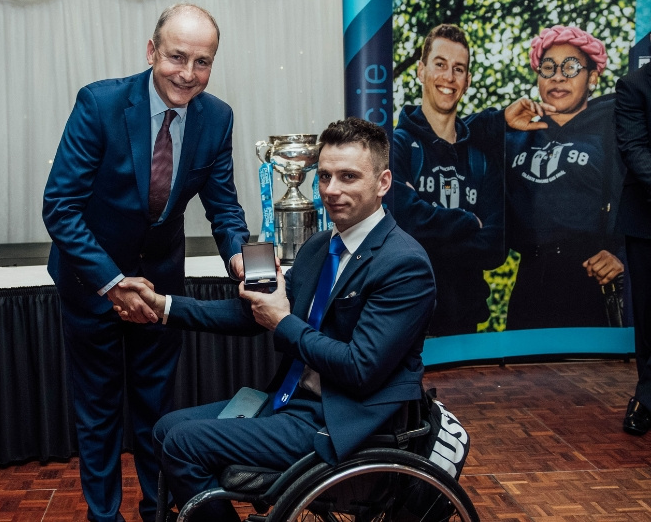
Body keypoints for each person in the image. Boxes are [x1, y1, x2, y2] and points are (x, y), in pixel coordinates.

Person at [119, 117, 436, 521]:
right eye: (323, 176)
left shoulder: (403, 264)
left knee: (182, 443)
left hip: (343, 420)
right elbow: (254, 314)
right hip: (293, 401)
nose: (331, 190)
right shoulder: (321, 246)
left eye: (348, 177)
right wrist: (162, 306)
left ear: (383, 182)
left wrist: (283, 321)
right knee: (165, 428)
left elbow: (361, 369)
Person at [41, 3, 250, 522]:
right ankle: (103, 516)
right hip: (91, 284)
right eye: (177, 56)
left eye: (203, 62)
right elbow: (60, 207)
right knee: (99, 414)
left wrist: (241, 257)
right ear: (152, 51)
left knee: (156, 410)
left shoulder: (216, 117)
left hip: (159, 291)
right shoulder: (100, 104)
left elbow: (222, 204)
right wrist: (111, 282)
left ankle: (156, 511)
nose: (188, 73)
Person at [386, 24, 550, 336]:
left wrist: (426, 232)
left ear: (467, 80)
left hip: (465, 320)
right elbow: (399, 223)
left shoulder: (480, 156)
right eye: (440, 64)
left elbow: (494, 246)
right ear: (421, 71)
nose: (449, 77)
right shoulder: (397, 148)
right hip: (403, 317)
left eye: (458, 69)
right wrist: (466, 222)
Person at [505, 25, 625, 330]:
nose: (558, 77)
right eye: (548, 68)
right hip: (529, 282)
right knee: (526, 375)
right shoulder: (517, 135)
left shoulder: (614, 131)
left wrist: (621, 255)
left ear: (593, 77)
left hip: (590, 280)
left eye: (571, 67)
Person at [614, 60, 651, 435]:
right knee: (649, 315)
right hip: (647, 222)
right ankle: (647, 396)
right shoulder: (634, 85)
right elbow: (635, 150)